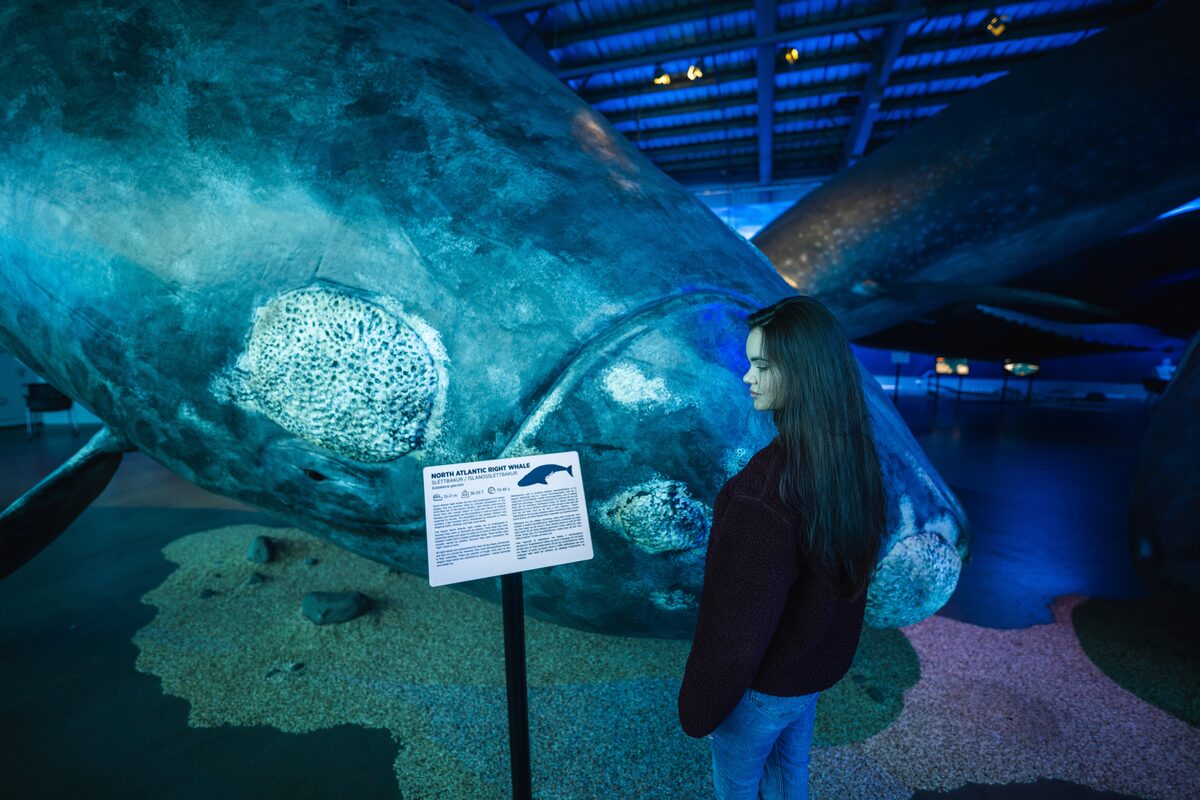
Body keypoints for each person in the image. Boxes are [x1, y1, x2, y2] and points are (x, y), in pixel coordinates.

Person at [678, 295, 887, 799]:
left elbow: (736, 626)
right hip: (809, 675)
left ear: (805, 372)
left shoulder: (764, 492)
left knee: (739, 784)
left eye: (762, 365)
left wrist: (700, 704)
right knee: (790, 775)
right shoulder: (851, 458)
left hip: (764, 688)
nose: (747, 377)